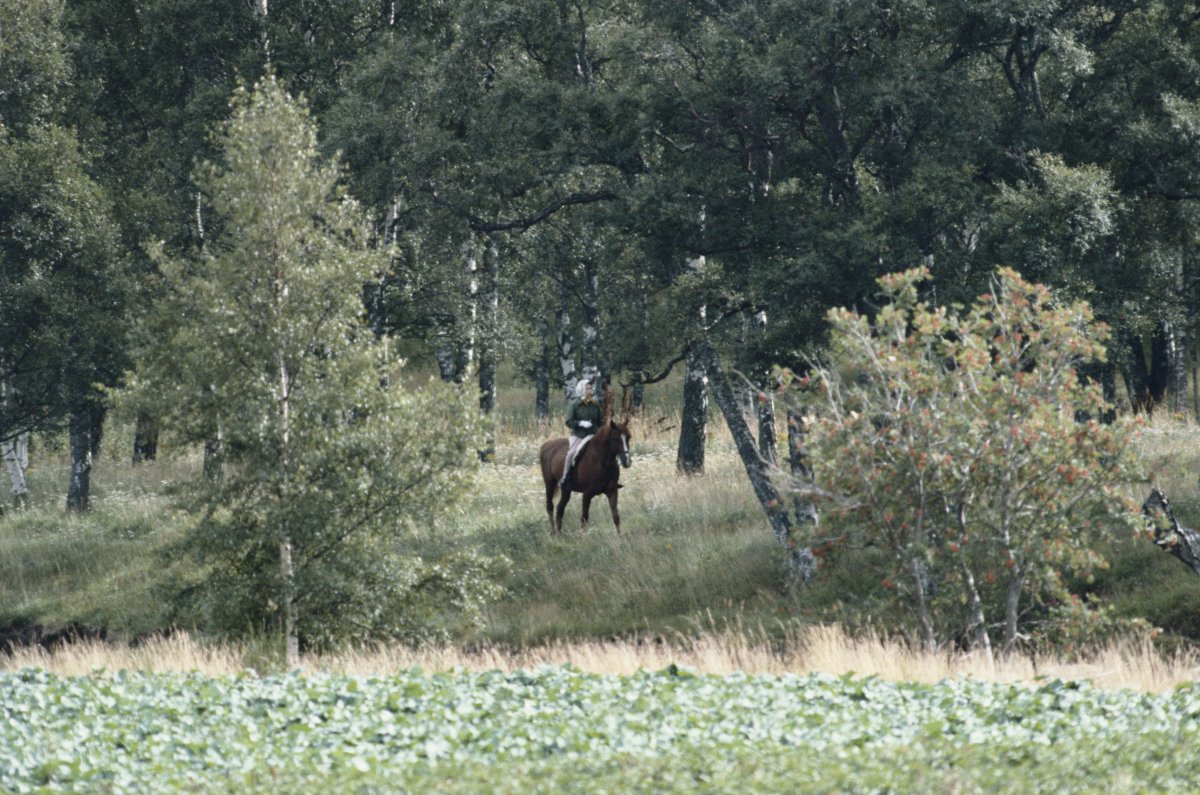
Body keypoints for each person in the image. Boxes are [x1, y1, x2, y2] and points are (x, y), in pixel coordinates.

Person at [559, 378, 603, 488]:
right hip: (578, 434)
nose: (590, 391)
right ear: (581, 390)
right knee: (571, 453)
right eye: (587, 389)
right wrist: (580, 423)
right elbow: (568, 421)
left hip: (593, 433)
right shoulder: (574, 404)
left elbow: (600, 421)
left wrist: (602, 430)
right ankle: (565, 477)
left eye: (590, 388)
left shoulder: (595, 403)